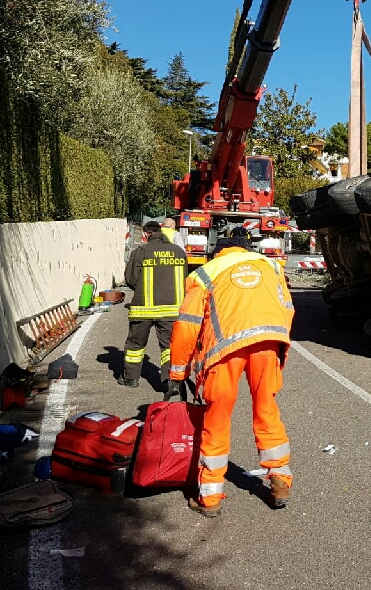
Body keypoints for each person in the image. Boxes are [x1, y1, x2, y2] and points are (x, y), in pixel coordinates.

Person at [169, 226, 295, 518]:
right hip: (267, 343)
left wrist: (177, 373)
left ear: (218, 251)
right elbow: (287, 309)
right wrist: (278, 344)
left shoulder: (205, 273)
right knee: (267, 411)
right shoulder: (271, 266)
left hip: (224, 351)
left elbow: (187, 325)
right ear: (246, 249)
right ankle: (280, 482)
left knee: (217, 418)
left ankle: (210, 499)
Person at [122, 222, 188, 389]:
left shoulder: (141, 252)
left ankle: (131, 379)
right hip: (172, 310)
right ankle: (170, 381)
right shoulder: (179, 252)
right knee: (169, 347)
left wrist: (143, 288)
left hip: (143, 309)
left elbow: (131, 279)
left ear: (145, 235)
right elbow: (184, 277)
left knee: (136, 346)